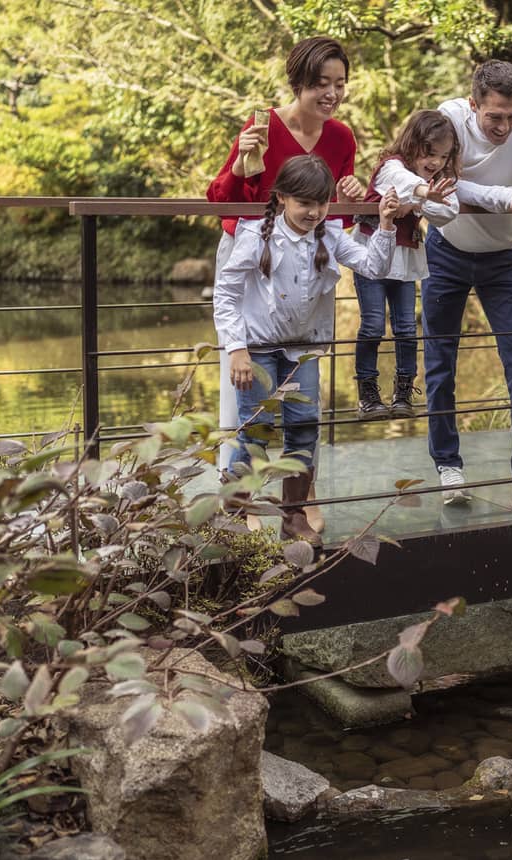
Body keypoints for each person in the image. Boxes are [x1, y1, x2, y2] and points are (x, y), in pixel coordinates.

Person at [213, 155, 402, 546]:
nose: (314, 212)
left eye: (321, 203)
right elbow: (227, 293)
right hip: (259, 348)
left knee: (303, 428)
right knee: (254, 431)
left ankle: (293, 517)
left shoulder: (329, 235)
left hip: (304, 350)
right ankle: (231, 517)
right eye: (304, 204)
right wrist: (236, 348)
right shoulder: (256, 235)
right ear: (282, 198)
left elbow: (373, 266)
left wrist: (384, 225)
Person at [206, 35, 364, 473]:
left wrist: (353, 195)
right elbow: (222, 202)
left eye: (340, 83)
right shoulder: (262, 128)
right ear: (298, 83)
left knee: (302, 403)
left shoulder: (340, 138)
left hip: (308, 268)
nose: (331, 94)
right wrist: (240, 163)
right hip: (253, 258)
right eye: (320, 84)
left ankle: (299, 498)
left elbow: (337, 222)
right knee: (245, 386)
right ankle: (238, 497)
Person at [424, 60, 512, 515]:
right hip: (445, 251)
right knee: (440, 362)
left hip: (504, 259)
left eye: (511, 115)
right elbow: (440, 185)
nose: (505, 126)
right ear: (473, 106)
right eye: (494, 118)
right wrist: (509, 196)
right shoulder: (447, 117)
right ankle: (449, 467)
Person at [352, 110, 461, 421]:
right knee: (373, 325)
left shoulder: (433, 182)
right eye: (429, 153)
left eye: (442, 156)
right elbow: (403, 182)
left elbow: (448, 210)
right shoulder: (391, 166)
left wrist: (421, 200)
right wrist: (424, 194)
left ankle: (403, 391)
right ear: (413, 144)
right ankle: (368, 392)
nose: (436, 162)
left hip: (404, 262)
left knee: (405, 329)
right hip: (372, 258)